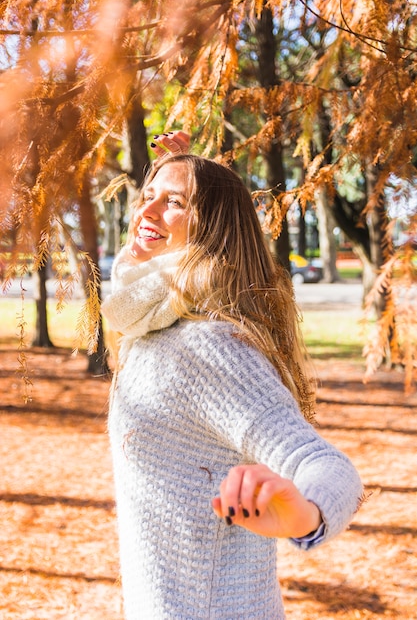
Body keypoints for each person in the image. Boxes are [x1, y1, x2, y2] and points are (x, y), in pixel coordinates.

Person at [101, 131, 363, 620]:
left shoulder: (207, 348)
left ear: (213, 225)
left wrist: (303, 515)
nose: (146, 212)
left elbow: (332, 471)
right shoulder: (153, 321)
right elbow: (135, 278)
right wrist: (180, 172)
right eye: (146, 197)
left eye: (173, 202)